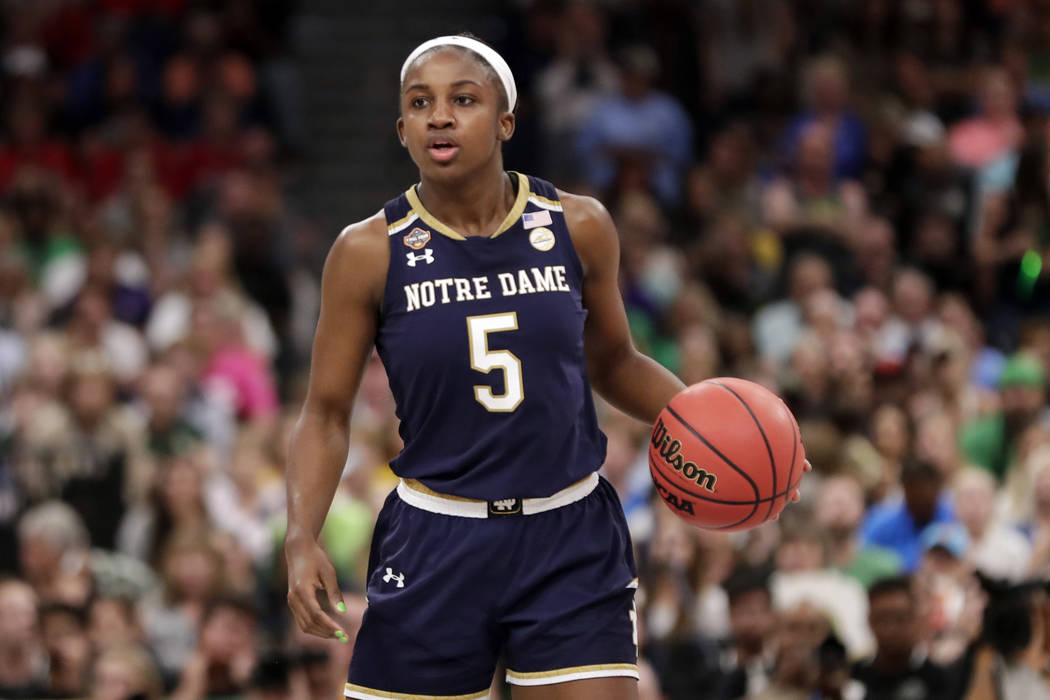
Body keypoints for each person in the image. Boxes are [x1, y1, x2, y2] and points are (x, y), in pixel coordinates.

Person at [282, 33, 807, 698]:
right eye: (421, 104)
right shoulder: (367, 251)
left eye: (462, 100)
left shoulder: (578, 225)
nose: (439, 116)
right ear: (402, 130)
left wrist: (734, 438)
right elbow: (325, 412)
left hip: (569, 532)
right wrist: (302, 536)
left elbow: (614, 361)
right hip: (436, 535)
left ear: (506, 120)